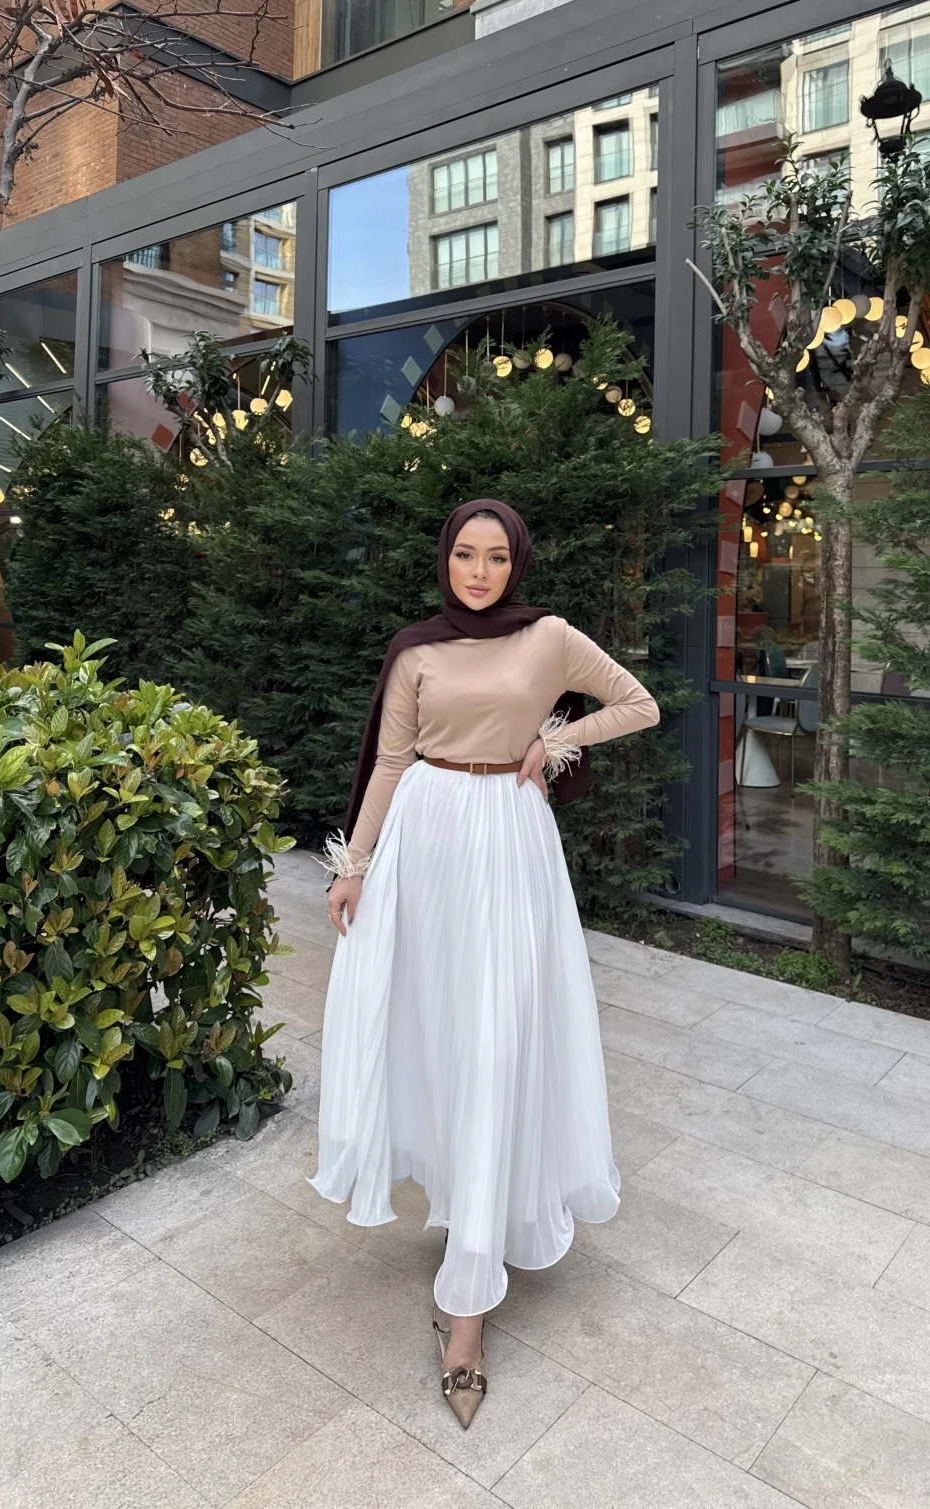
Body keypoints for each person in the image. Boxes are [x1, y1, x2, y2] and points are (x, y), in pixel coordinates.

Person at [309, 499, 660, 1428]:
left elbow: (639, 703)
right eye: (464, 553)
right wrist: (354, 867)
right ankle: (462, 1198)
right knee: (437, 1035)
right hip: (425, 843)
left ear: (517, 563)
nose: (477, 570)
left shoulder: (549, 638)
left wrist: (558, 741)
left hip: (509, 842)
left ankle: (465, 1314)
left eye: (496, 556)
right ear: (446, 559)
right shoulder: (416, 650)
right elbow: (390, 763)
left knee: (498, 1042)